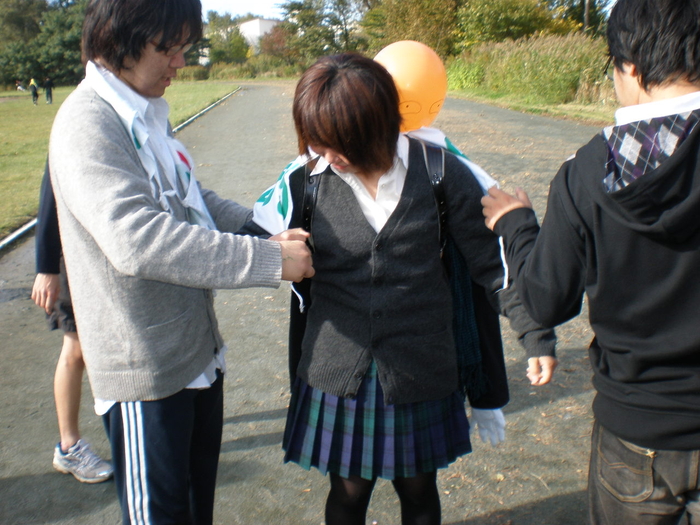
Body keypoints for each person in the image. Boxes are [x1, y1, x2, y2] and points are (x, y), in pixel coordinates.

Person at [248, 53, 557, 525]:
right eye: (316, 142)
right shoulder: (306, 181)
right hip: (337, 369)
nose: (325, 156)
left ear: (375, 128)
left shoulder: (440, 172)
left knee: (418, 491)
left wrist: (534, 334)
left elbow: (492, 268)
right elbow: (246, 237)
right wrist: (270, 251)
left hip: (421, 368)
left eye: (336, 145)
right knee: (348, 494)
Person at [48, 0, 314, 523]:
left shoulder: (144, 111)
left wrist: (262, 229)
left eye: (184, 48)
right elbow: (137, 239)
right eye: (167, 48)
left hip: (194, 356)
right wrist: (267, 258)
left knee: (195, 510)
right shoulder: (88, 122)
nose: (180, 62)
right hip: (145, 372)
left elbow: (191, 198)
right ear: (119, 42)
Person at [481, 0, 700, 523]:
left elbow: (545, 301)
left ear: (630, 67)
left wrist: (516, 224)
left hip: (638, 426)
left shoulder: (587, 170)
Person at [31, 163, 113, 483]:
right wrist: (46, 268)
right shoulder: (71, 134)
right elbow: (49, 198)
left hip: (104, 253)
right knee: (76, 349)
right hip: (73, 259)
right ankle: (69, 447)